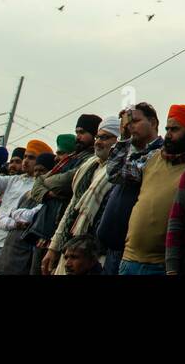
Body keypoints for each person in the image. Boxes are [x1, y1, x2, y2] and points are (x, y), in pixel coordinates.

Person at [120, 105, 185, 275]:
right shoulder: (153, 157)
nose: (168, 135)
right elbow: (116, 173)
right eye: (167, 129)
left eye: (174, 129)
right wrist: (124, 137)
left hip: (163, 265)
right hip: (129, 260)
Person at [43, 117, 120, 274]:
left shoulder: (120, 171)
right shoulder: (89, 166)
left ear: (119, 141)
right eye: (98, 137)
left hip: (98, 255)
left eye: (105, 138)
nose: (98, 142)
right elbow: (72, 208)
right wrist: (54, 247)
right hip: (71, 248)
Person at [99, 103, 163, 274]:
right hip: (114, 247)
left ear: (153, 123)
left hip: (133, 251)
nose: (130, 126)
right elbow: (113, 172)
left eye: (135, 121)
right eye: (128, 123)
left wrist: (124, 138)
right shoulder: (131, 151)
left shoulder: (159, 154)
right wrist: (124, 139)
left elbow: (118, 173)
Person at [0, 136, 39, 274]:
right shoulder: (13, 180)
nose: (26, 160)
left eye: (31, 158)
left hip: (13, 246)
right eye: (25, 156)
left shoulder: (40, 185)